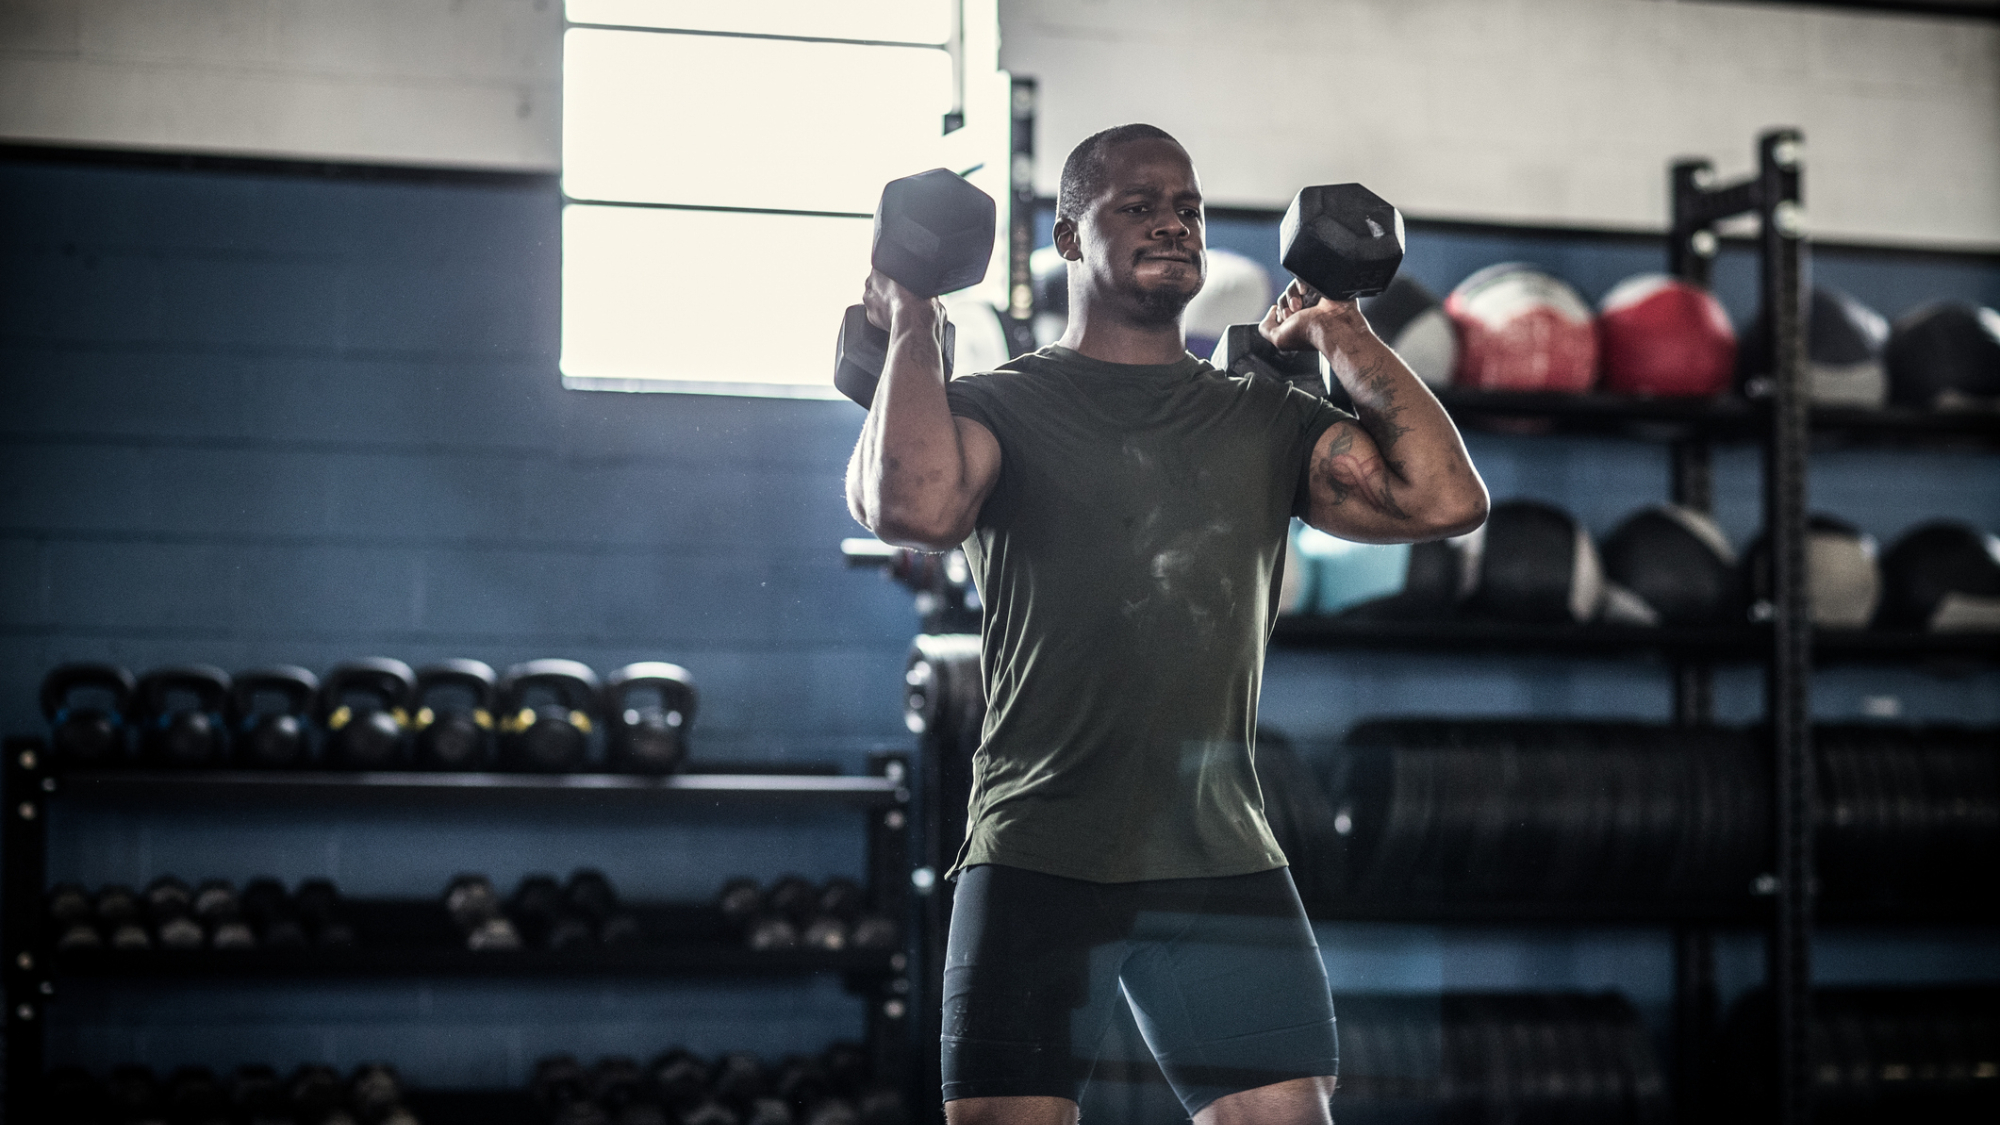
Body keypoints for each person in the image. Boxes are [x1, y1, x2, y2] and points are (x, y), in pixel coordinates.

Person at [845, 124, 1489, 1125]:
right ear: (1065, 236)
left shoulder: (1260, 416)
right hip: (1036, 853)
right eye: (1136, 204)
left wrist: (1339, 329)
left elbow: (1442, 500)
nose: (1172, 222)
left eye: (1185, 205)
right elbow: (914, 508)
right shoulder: (998, 407)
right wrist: (912, 320)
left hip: (1220, 860)